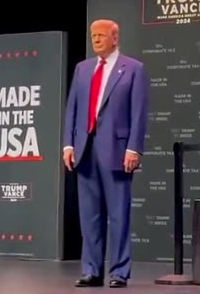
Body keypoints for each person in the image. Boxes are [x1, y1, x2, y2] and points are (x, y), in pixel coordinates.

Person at [63, 20, 148, 288]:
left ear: (115, 38)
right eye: (93, 36)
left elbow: (139, 113)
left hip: (117, 151)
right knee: (89, 216)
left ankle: (119, 272)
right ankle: (92, 270)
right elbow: (72, 109)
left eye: (101, 35)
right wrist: (68, 144)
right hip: (85, 150)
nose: (96, 40)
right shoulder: (82, 68)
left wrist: (133, 147)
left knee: (119, 215)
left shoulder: (134, 69)